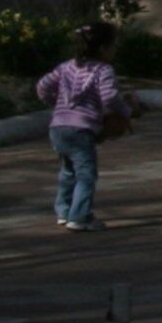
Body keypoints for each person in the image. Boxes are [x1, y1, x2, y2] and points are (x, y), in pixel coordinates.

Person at [34, 23, 134, 231]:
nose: (115, 50)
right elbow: (109, 97)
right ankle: (80, 216)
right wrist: (126, 111)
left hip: (58, 127)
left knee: (68, 170)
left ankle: (63, 211)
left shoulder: (65, 67)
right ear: (103, 48)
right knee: (86, 174)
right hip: (81, 130)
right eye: (114, 46)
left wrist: (56, 104)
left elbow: (42, 86)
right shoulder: (104, 70)